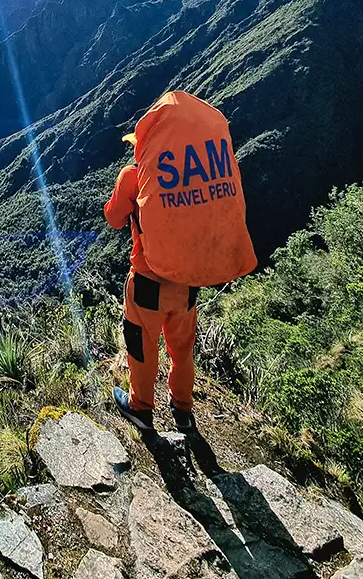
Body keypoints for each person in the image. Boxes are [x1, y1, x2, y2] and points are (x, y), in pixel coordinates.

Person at [104, 90, 257, 432]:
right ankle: (183, 410)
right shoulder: (200, 169)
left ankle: (141, 409)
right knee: (182, 349)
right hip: (189, 279)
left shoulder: (134, 175)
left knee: (141, 345)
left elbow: (114, 218)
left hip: (147, 282)